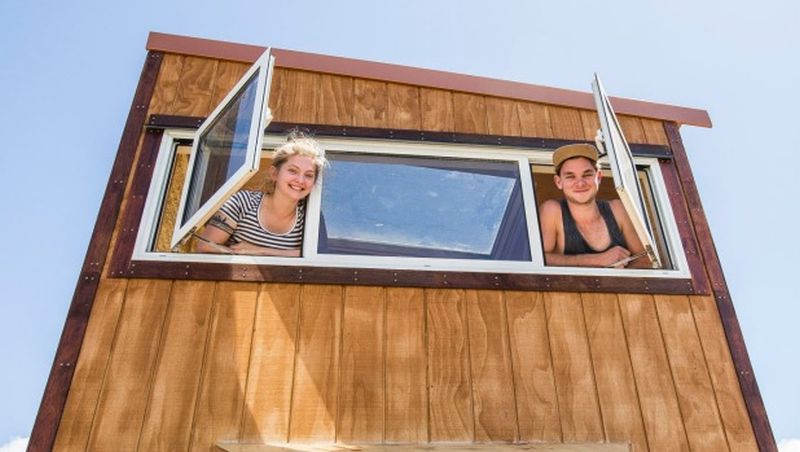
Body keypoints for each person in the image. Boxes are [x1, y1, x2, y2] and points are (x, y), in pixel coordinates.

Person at [195, 133, 327, 256]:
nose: (300, 180)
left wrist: (259, 251)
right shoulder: (242, 202)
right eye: (293, 171)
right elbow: (205, 246)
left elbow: (318, 256)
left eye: (309, 175)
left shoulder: (311, 216)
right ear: (274, 173)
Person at [538, 143, 650, 268]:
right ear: (558, 182)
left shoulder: (617, 209)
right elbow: (540, 259)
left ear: (599, 177)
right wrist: (597, 260)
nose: (580, 183)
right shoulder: (552, 211)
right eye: (570, 177)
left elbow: (646, 258)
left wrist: (620, 277)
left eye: (587, 175)